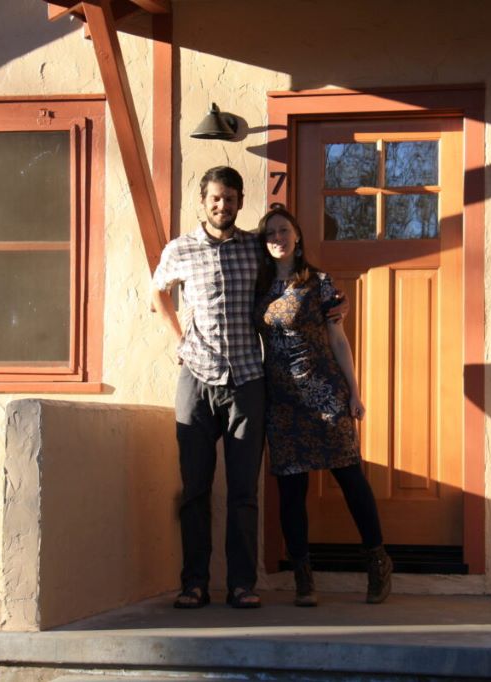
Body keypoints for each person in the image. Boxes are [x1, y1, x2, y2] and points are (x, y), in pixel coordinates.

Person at [253, 204, 393, 607]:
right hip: (281, 402)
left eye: (283, 231)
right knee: (291, 491)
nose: (277, 238)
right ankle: (303, 578)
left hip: (324, 393)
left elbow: (337, 340)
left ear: (297, 237)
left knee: (351, 480)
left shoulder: (320, 284)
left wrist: (354, 391)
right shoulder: (259, 285)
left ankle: (379, 562)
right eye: (269, 233)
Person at [150, 166, 266, 609]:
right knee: (195, 488)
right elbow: (159, 292)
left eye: (231, 198)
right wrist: (178, 339)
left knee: (243, 492)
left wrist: (334, 301)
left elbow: (291, 273)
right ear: (203, 201)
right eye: (216, 198)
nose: (223, 205)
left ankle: (242, 585)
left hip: (247, 381)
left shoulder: (255, 248)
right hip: (196, 380)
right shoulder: (180, 249)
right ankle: (194, 583)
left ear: (240, 201)